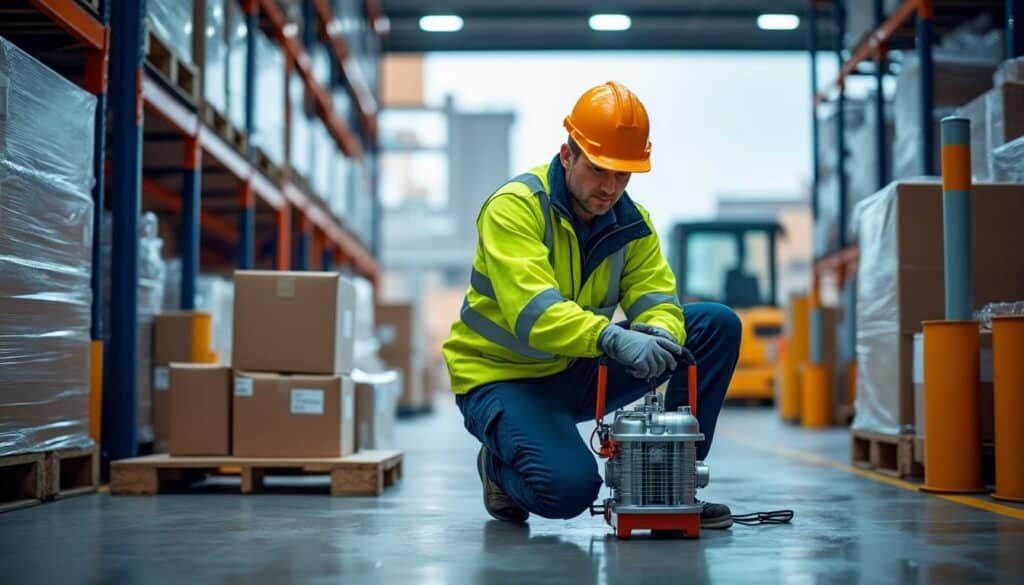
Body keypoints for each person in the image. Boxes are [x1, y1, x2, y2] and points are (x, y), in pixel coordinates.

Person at [442, 81, 741, 528]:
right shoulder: (515, 208)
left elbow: (659, 298)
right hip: (503, 378)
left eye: (624, 175)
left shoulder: (632, 226)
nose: (611, 187)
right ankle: (498, 470)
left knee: (715, 324)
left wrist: (660, 334)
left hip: (578, 368)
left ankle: (675, 483)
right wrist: (610, 336)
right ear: (568, 155)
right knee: (568, 491)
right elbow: (534, 313)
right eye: (600, 170)